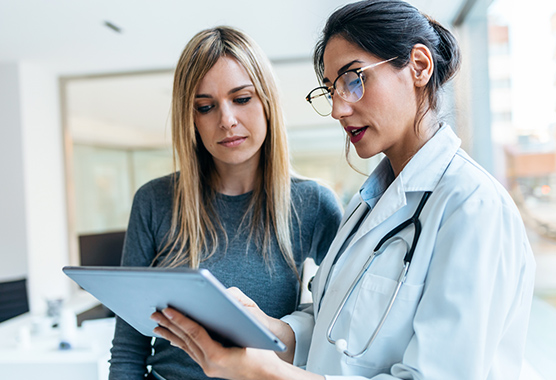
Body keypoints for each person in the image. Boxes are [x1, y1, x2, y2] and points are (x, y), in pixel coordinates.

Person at [150, 1, 537, 379]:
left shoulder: (472, 207)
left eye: (354, 79)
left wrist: (265, 373)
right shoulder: (368, 205)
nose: (338, 109)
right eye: (331, 89)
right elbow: (331, 325)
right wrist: (268, 328)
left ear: (419, 66)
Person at [108, 26, 343, 380]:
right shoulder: (155, 201)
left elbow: (343, 321)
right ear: (192, 119)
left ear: (267, 102)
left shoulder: (312, 203)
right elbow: (129, 347)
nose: (226, 120)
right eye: (206, 106)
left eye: (242, 99)